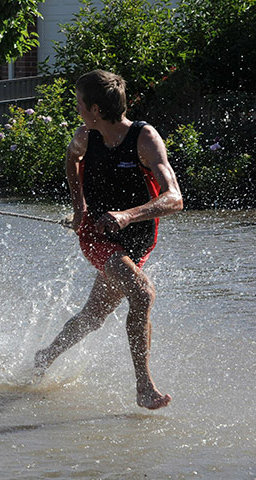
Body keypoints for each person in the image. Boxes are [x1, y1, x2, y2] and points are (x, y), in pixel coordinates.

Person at [34, 69, 183, 410]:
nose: (77, 110)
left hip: (137, 239)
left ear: (96, 109)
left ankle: (45, 356)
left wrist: (127, 215)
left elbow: (175, 198)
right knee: (142, 293)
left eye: (79, 104)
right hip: (96, 235)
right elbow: (72, 159)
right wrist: (79, 208)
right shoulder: (86, 136)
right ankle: (144, 387)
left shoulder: (144, 139)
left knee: (93, 316)